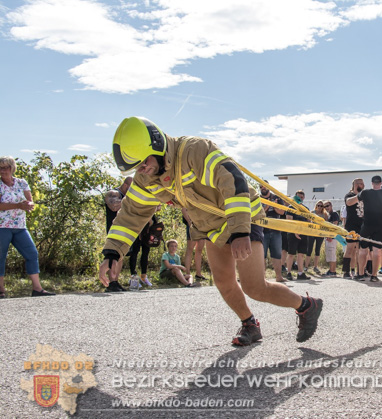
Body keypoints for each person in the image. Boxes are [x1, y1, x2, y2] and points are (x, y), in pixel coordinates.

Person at [99, 117, 323, 346]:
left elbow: (234, 180)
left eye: (143, 162)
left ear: (157, 145)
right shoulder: (147, 178)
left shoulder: (194, 151)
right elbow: (131, 215)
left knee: (254, 287)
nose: (142, 169)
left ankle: (306, 307)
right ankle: (250, 324)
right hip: (211, 228)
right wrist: (112, 253)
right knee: (224, 282)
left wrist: (239, 232)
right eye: (137, 167)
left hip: (243, 217)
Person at [0, 156, 54, 297]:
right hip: (2, 226)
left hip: (20, 226)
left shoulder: (21, 183)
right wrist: (18, 205)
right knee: (0, 257)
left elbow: (30, 200)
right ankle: (1, 290)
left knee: (32, 253)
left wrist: (28, 205)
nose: (3, 170)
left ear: (12, 168)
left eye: (6, 167)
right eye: (1, 168)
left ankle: (37, 288)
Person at [347, 175, 382, 282]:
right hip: (380, 226)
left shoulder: (365, 193)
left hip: (367, 226)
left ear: (372, 183)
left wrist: (349, 200)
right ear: (381, 183)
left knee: (363, 250)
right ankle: (374, 276)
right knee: (377, 252)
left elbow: (350, 202)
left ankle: (360, 274)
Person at [103, 176, 133, 292]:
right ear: (126, 185)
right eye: (131, 188)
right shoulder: (114, 193)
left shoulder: (126, 196)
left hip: (125, 230)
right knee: (113, 255)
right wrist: (131, 201)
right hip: (114, 230)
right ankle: (111, 283)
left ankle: (115, 281)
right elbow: (114, 206)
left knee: (120, 256)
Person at [259, 182, 286, 283]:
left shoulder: (277, 198)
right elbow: (258, 214)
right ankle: (263, 278)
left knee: (277, 255)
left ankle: (279, 277)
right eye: (261, 186)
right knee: (262, 255)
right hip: (262, 231)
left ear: (269, 187)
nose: (263, 188)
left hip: (276, 231)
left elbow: (282, 212)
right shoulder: (257, 199)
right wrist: (266, 207)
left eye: (264, 186)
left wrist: (274, 206)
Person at [284, 190, 311, 281]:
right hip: (292, 234)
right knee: (291, 253)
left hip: (304, 233)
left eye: (302, 197)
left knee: (301, 254)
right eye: (298, 197)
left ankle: (300, 273)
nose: (300, 198)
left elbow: (309, 221)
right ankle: (288, 272)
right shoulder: (290, 208)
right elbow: (289, 221)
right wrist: (295, 231)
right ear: (295, 197)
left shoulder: (306, 209)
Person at [341, 179, 364, 279]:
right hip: (351, 226)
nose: (362, 185)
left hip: (362, 226)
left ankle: (360, 271)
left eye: (363, 183)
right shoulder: (349, 195)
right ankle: (346, 271)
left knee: (361, 250)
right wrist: (359, 196)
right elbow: (349, 203)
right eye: (360, 183)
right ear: (355, 185)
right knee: (350, 248)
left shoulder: (364, 196)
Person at [182, 208, 207, 282]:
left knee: (199, 249)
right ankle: (188, 273)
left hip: (202, 225)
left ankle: (198, 274)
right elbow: (183, 209)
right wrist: (190, 223)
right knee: (190, 249)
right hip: (192, 224)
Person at [305, 200, 328, 275]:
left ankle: (315, 266)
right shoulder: (312, 212)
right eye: (318, 205)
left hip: (320, 234)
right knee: (309, 250)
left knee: (317, 250)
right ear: (316, 206)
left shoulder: (324, 214)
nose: (319, 207)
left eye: (321, 206)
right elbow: (308, 221)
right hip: (311, 233)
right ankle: (306, 266)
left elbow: (326, 224)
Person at [322, 201, 340, 276]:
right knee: (329, 254)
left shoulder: (334, 214)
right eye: (325, 206)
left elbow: (334, 225)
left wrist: (330, 236)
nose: (326, 208)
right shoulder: (328, 215)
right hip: (328, 236)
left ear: (331, 205)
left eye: (327, 206)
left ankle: (333, 271)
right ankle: (331, 269)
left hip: (332, 237)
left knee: (332, 254)